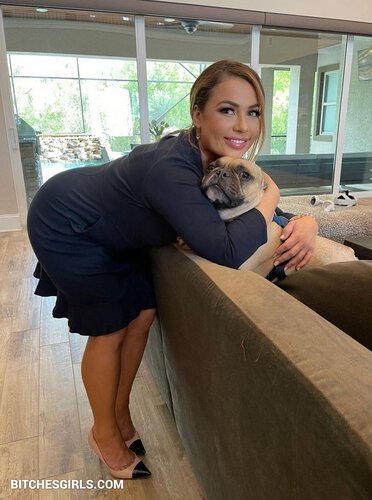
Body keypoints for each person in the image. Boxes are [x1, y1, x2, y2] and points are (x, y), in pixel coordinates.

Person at [27, 59, 318, 479]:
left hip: (119, 230)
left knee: (143, 313)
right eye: (227, 110)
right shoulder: (171, 168)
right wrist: (273, 190)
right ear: (197, 114)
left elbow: (244, 210)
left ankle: (120, 413)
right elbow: (228, 249)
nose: (242, 125)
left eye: (253, 112)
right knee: (109, 329)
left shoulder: (214, 159)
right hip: (67, 221)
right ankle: (103, 432)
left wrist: (304, 221)